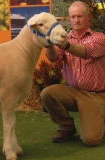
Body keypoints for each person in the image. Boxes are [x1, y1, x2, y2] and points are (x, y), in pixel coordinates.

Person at [41, 1, 105, 147]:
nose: (76, 20)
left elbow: (84, 51)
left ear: (89, 17)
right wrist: (49, 44)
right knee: (47, 94)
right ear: (69, 18)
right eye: (73, 16)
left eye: (80, 16)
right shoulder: (66, 38)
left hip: (94, 95)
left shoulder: (100, 38)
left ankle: (100, 114)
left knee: (90, 140)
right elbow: (54, 59)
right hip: (72, 91)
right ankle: (66, 127)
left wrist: (65, 45)